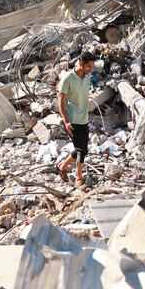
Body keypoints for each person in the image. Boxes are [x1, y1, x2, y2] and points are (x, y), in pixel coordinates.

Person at [56, 50, 96, 191]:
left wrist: (89, 96)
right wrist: (66, 121)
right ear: (80, 64)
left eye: (92, 66)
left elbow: (82, 91)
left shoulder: (87, 76)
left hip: (84, 118)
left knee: (82, 150)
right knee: (81, 149)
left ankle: (62, 166)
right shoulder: (67, 79)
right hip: (72, 120)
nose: (91, 69)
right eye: (89, 66)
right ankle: (79, 179)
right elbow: (61, 100)